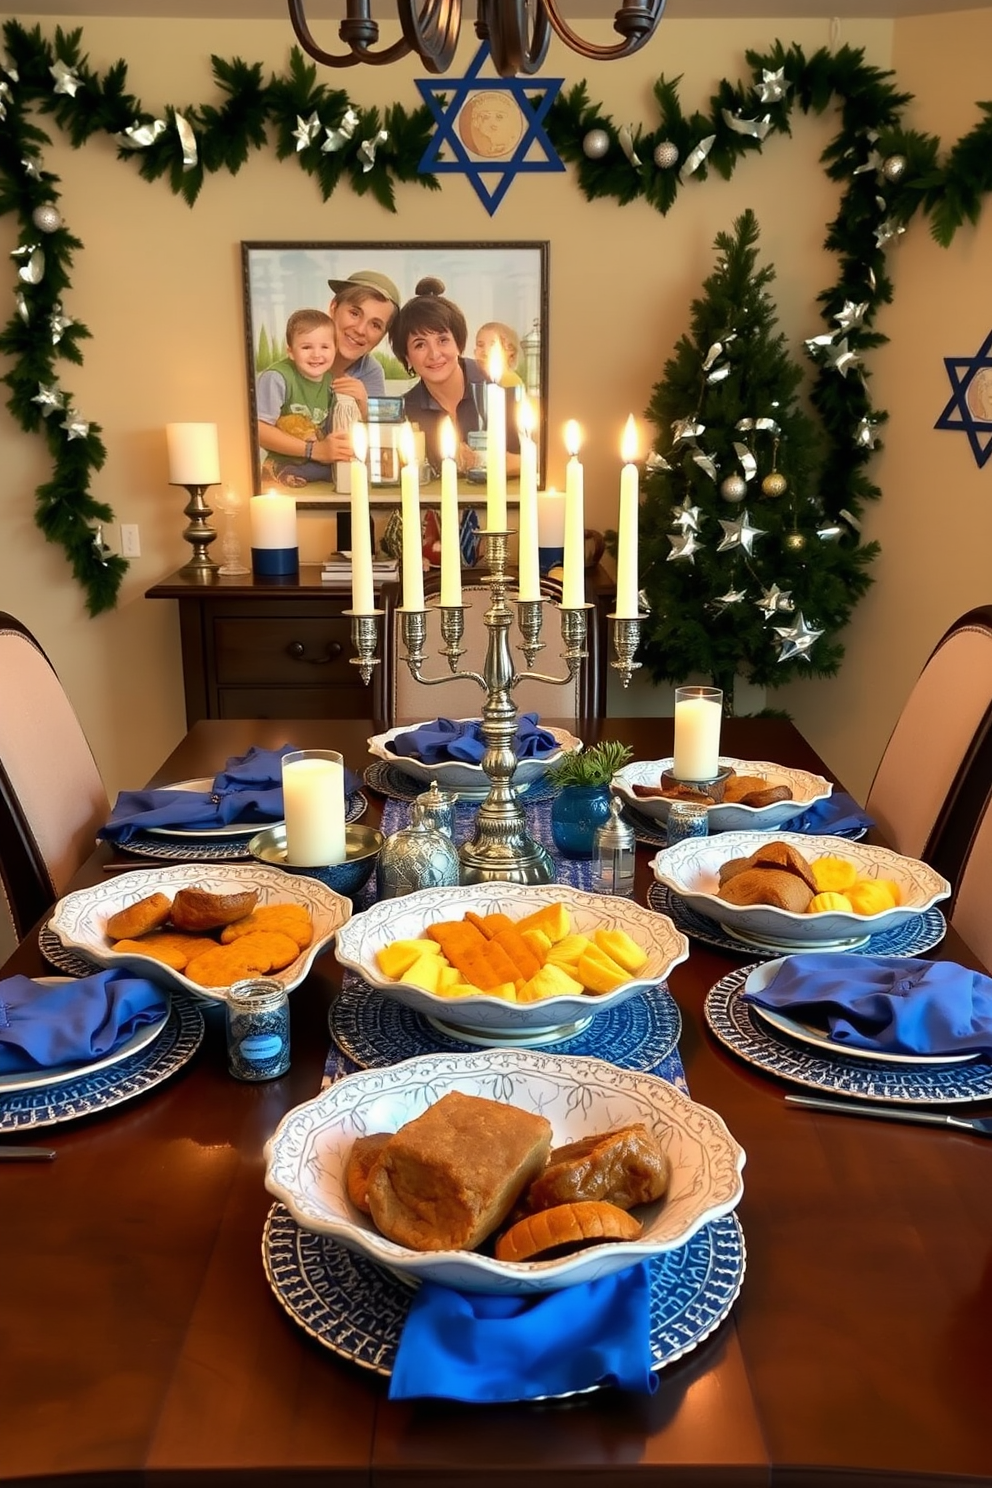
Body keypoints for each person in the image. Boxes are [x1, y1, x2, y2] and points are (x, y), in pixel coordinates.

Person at [390, 277, 521, 479]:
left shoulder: (502, 387)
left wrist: (497, 463)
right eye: (420, 344)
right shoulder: (406, 412)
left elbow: (544, 458)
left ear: (458, 344)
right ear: (407, 357)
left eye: (443, 340)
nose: (434, 354)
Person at [256, 308, 349, 488]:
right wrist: (312, 450)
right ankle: (279, 470)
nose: (316, 354)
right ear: (291, 351)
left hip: (316, 457)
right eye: (306, 347)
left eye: (325, 347)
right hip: (286, 457)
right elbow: (259, 430)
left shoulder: (331, 382)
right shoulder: (277, 378)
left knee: (341, 470)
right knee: (297, 469)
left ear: (335, 349)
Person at [325, 268, 402, 418]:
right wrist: (313, 443)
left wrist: (365, 404)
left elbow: (390, 418)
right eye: (354, 313)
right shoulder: (303, 353)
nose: (360, 330)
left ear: (383, 336)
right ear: (334, 308)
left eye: (375, 325)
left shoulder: (370, 371)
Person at [474, 321, 525, 388]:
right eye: (480, 345)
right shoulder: (475, 378)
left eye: (492, 345)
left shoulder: (511, 380)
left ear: (510, 351)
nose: (485, 350)